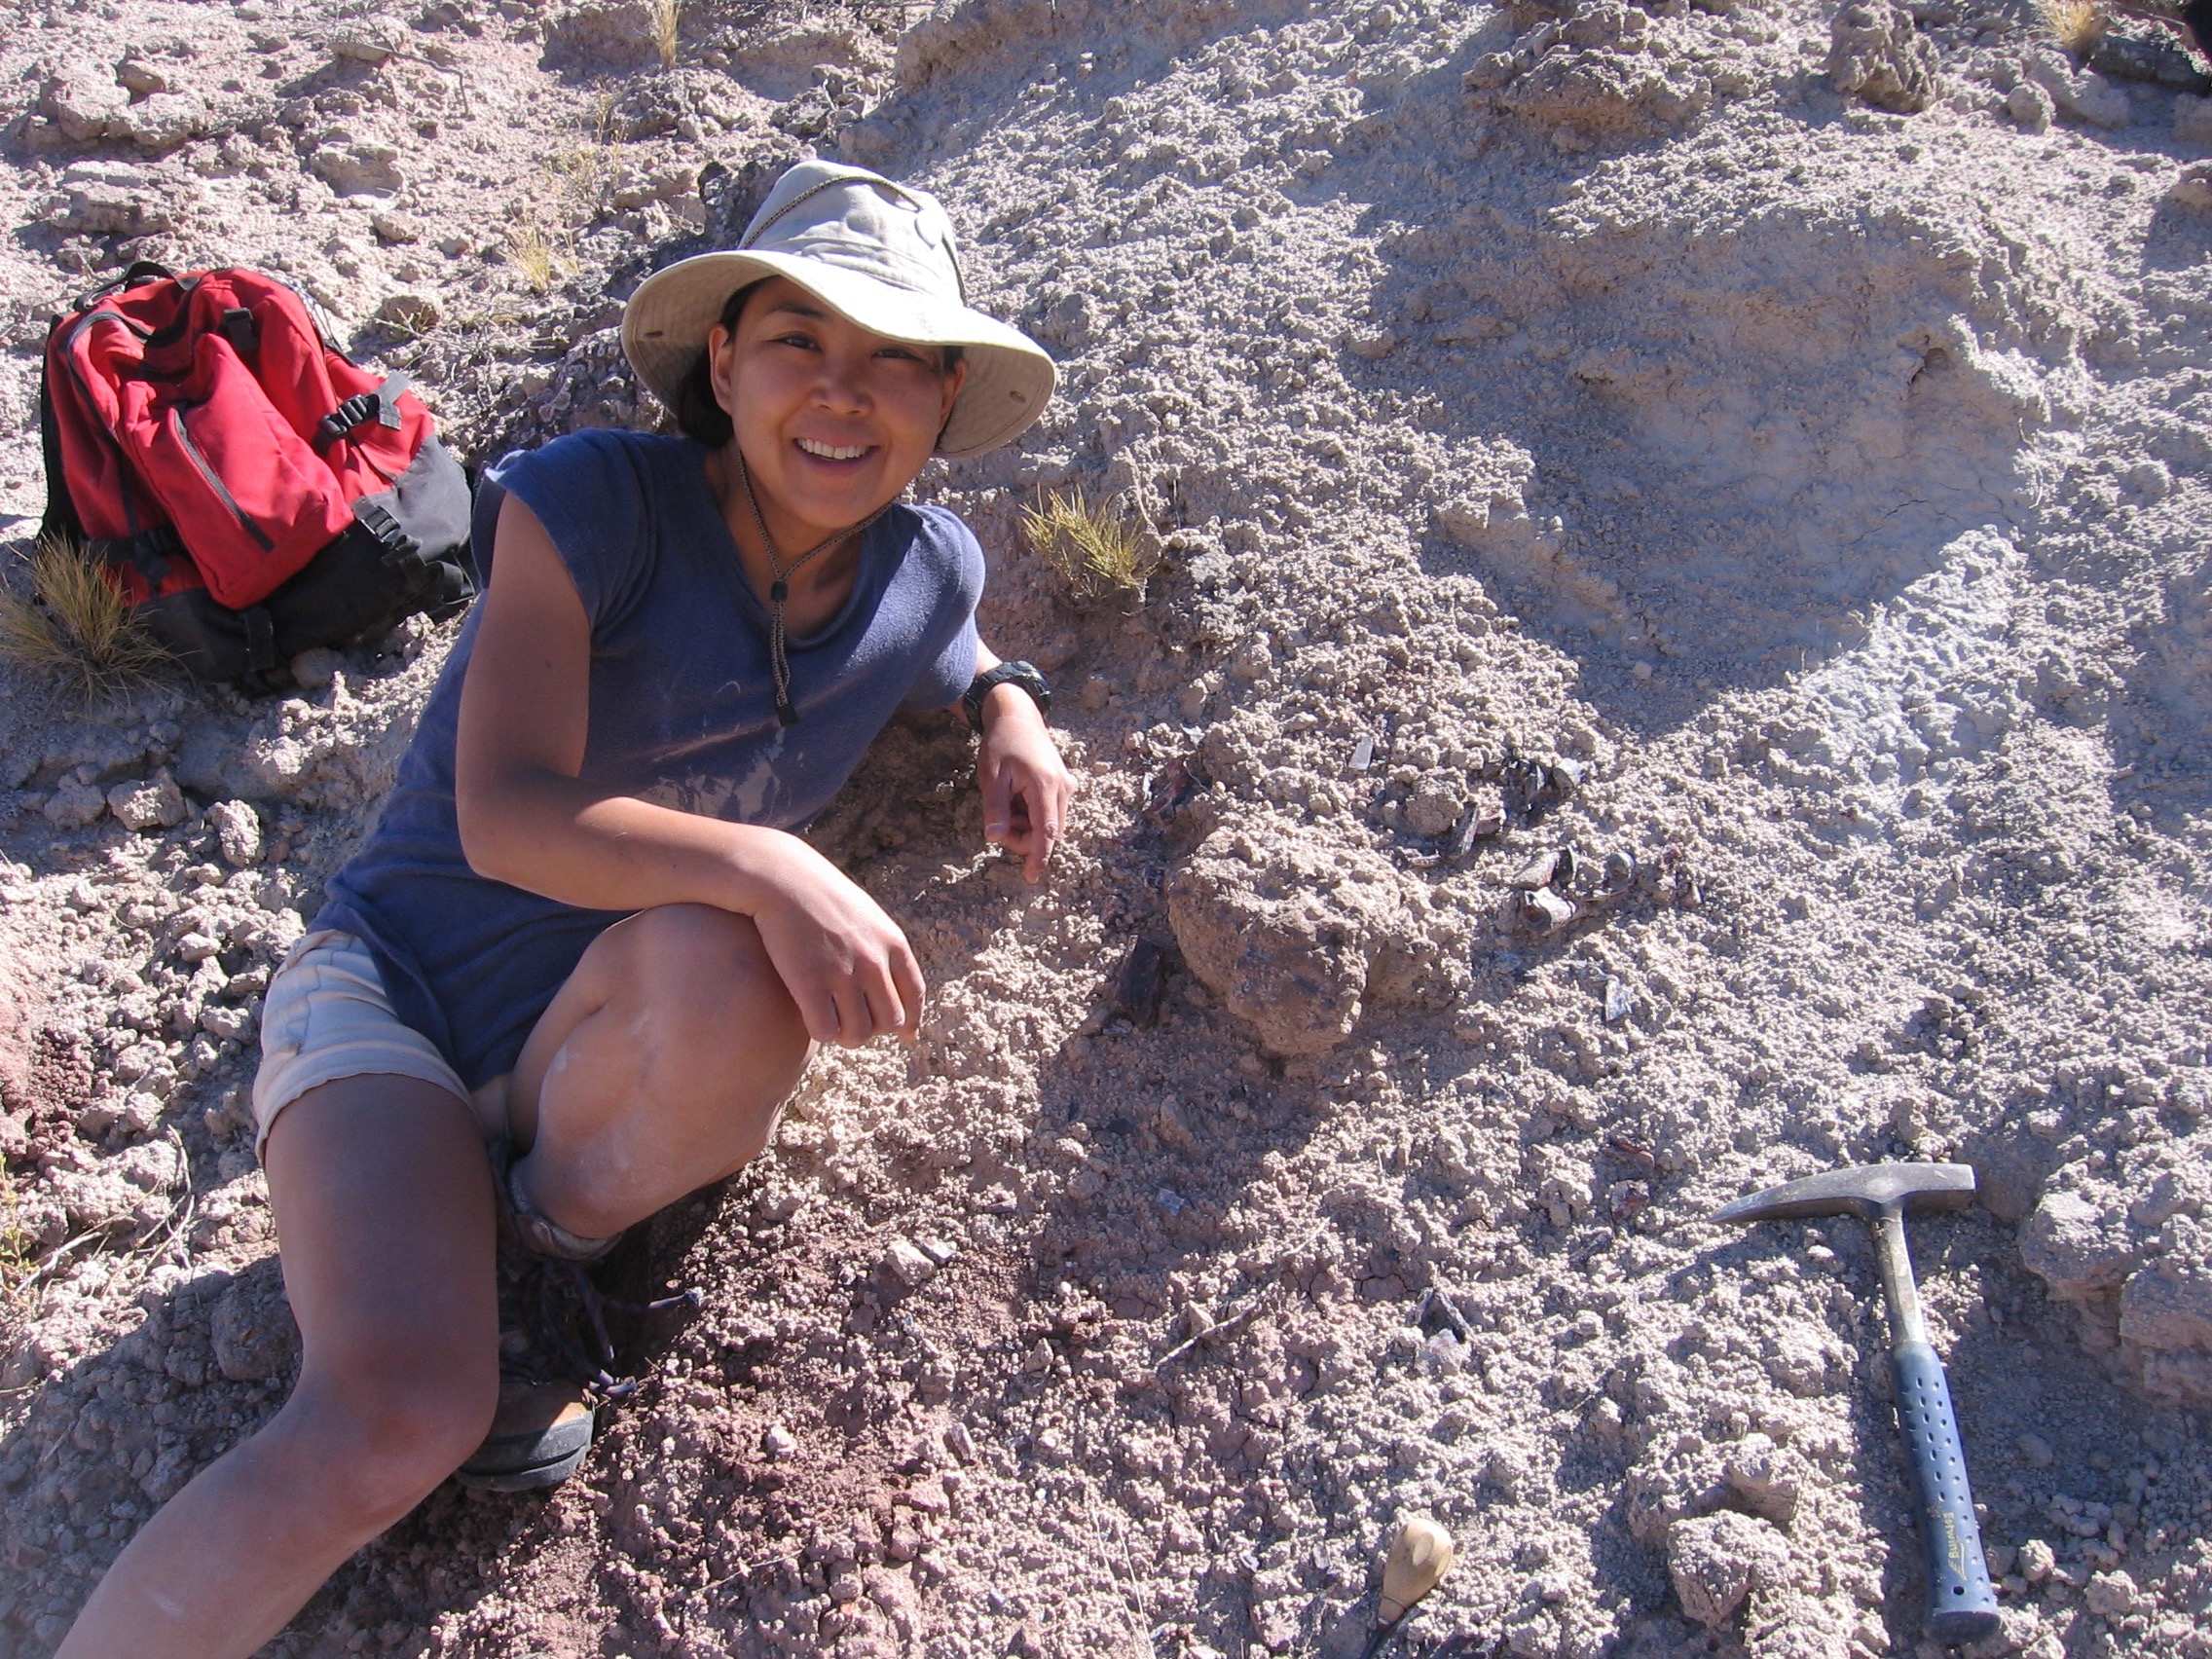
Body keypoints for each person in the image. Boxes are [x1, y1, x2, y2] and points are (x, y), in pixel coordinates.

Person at [57, 161, 1071, 1659]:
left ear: (942, 401)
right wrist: (778, 864)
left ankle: (531, 1259)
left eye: (896, 362)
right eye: (800, 342)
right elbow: (508, 813)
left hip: (587, 1049)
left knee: (732, 986)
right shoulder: (591, 501)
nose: (843, 397)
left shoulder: (928, 567)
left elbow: (950, 633)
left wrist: (1010, 707)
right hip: (395, 1004)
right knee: (393, 1416)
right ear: (722, 363)